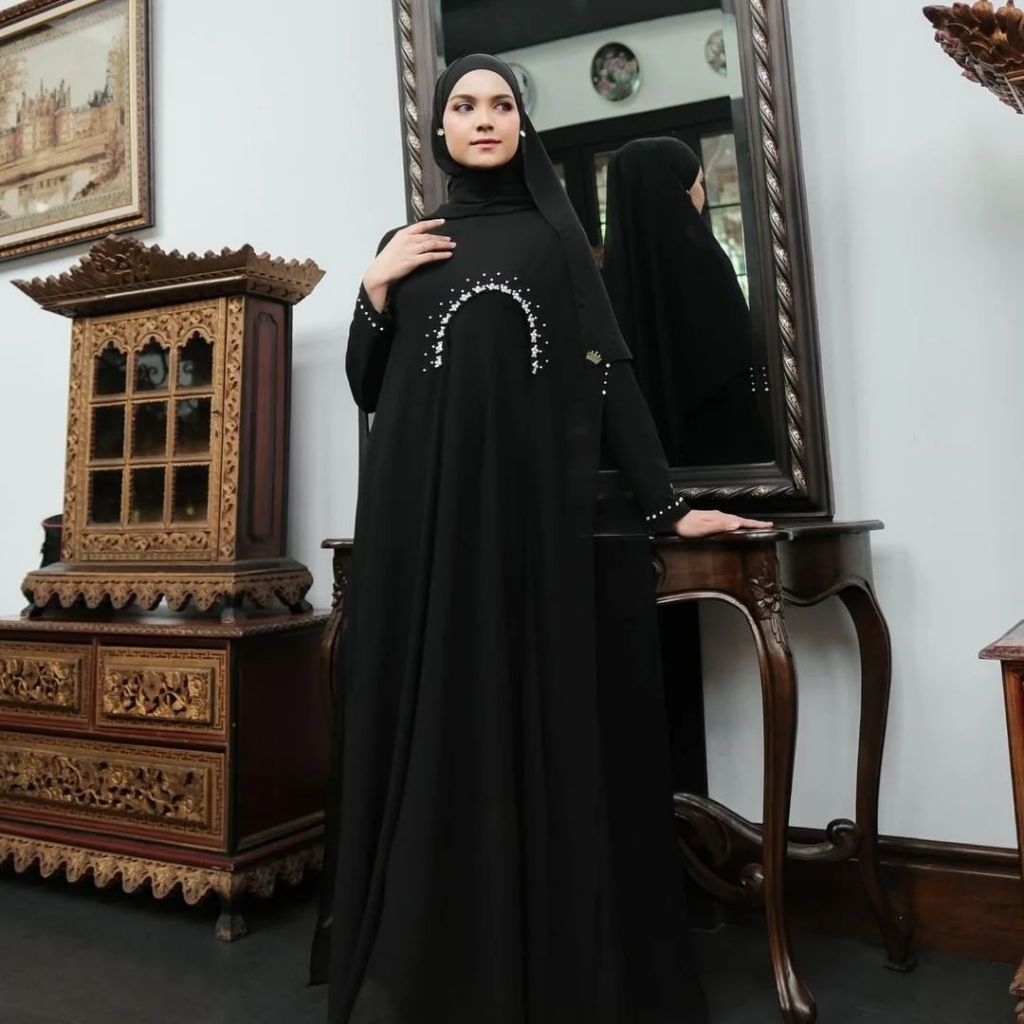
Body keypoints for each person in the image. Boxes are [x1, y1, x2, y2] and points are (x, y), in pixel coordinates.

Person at [310, 53, 769, 1024]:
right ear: (439, 129)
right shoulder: (406, 242)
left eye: (501, 105)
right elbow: (366, 385)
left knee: (525, 714)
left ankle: (532, 955)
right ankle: (429, 956)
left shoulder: (558, 240)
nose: (484, 119)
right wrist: (373, 287)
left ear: (522, 124)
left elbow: (608, 377)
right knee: (437, 711)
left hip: (527, 526)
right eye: (464, 105)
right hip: (421, 522)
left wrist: (665, 506)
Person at [603, 137, 772, 467]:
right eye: (699, 183)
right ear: (677, 189)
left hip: (642, 460)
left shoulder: (610, 277)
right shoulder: (702, 259)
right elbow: (737, 353)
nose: (702, 195)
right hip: (721, 448)